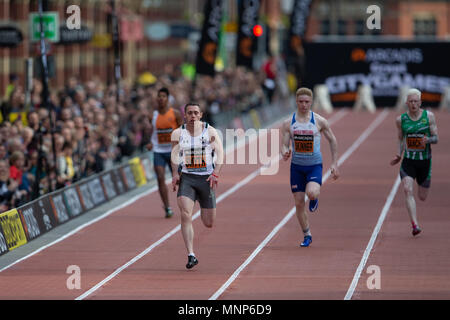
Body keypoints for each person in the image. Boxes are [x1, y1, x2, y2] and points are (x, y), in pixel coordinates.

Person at [281, 87, 339, 247]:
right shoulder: (288, 123)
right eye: (301, 102)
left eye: (307, 102)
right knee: (299, 202)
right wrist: (285, 152)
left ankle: (314, 197)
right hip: (297, 168)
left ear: (311, 102)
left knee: (311, 193)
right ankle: (307, 235)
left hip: (314, 165)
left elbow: (333, 140)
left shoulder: (319, 121)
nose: (304, 105)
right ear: (296, 102)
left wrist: (334, 163)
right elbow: (284, 146)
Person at [170, 102, 223, 269]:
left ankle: (202, 202)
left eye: (195, 113)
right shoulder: (178, 133)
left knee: (209, 223)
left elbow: (220, 153)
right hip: (188, 179)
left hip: (206, 179)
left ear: (200, 115)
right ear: (185, 115)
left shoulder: (210, 131)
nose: (192, 116)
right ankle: (191, 254)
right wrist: (175, 174)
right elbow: (174, 155)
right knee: (185, 214)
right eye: (189, 113)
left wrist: (216, 172)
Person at [390, 88, 438, 236]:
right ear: (407, 103)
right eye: (410, 101)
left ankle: (425, 180)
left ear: (420, 102)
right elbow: (400, 138)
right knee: (407, 189)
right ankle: (415, 225)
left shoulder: (429, 117)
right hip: (408, 162)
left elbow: (436, 138)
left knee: (422, 197)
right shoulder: (401, 120)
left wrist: (428, 140)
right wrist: (399, 153)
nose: (413, 104)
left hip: (424, 162)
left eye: (416, 101)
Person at [146, 87, 183, 218]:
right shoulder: (153, 115)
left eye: (163, 96)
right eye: (159, 96)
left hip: (173, 150)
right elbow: (151, 131)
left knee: (180, 179)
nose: (161, 99)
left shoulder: (176, 114)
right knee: (160, 177)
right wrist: (149, 142)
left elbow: (182, 130)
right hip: (158, 150)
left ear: (168, 99)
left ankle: (186, 201)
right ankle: (167, 207)